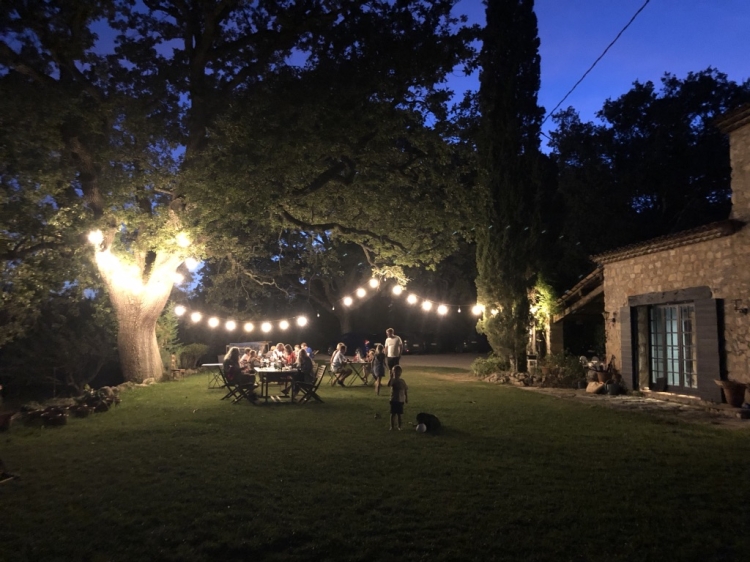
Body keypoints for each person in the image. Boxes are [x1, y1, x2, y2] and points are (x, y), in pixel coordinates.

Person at [387, 365, 408, 430]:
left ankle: (399, 426)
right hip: (394, 399)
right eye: (394, 372)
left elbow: (405, 389)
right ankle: (392, 426)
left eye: (397, 372)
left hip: (400, 400)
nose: (396, 373)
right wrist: (390, 377)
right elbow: (389, 384)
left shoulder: (402, 381)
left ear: (400, 373)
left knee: (399, 414)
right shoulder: (393, 380)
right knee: (393, 414)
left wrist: (406, 397)